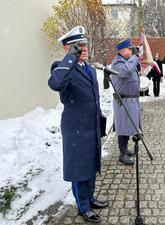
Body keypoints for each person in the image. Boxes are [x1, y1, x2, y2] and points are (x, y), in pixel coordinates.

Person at [48, 26, 109, 223]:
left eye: (85, 45)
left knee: (91, 165)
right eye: (78, 46)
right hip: (76, 130)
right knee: (79, 168)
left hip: (91, 126)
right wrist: (69, 58)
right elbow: (55, 83)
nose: (84, 49)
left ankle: (89, 197)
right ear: (67, 48)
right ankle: (83, 207)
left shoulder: (89, 69)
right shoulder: (62, 67)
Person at [111, 38, 143, 165]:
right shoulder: (117, 63)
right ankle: (122, 154)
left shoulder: (126, 61)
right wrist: (135, 57)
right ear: (123, 51)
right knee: (123, 126)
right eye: (129, 49)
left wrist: (134, 58)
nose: (131, 51)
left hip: (131, 99)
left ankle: (125, 149)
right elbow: (125, 72)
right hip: (123, 100)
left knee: (129, 124)